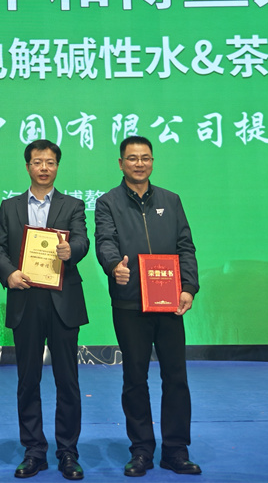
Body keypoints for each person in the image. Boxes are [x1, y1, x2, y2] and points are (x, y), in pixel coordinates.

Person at [94, 136, 202, 477]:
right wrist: (114, 266)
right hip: (130, 304)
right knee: (134, 378)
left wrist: (189, 287)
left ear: (152, 161)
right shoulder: (107, 202)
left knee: (176, 377)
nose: (139, 164)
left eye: (145, 158)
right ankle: (141, 450)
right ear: (121, 163)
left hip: (168, 304)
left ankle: (176, 450)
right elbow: (105, 241)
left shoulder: (171, 200)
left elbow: (185, 246)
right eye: (132, 158)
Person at [0, 140, 90, 480]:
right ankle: (34, 450)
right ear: (27, 166)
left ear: (57, 166)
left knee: (68, 381)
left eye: (50, 162)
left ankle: (68, 452)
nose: (44, 167)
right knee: (28, 380)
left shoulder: (73, 205)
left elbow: (82, 240)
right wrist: (9, 274)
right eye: (37, 162)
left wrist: (71, 251)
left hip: (63, 302)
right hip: (26, 300)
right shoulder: (10, 206)